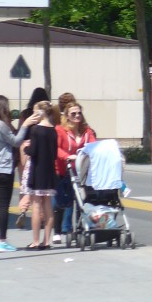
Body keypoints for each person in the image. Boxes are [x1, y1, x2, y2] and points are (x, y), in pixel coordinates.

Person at [0, 95, 42, 252]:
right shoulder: (1, 125)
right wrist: (25, 125)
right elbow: (16, 141)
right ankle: (2, 241)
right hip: (4, 169)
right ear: (1, 108)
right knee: (4, 206)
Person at [54, 100, 96, 243]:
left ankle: (80, 229)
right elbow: (56, 148)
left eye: (79, 113)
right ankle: (57, 231)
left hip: (81, 171)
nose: (77, 116)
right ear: (67, 116)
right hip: (64, 170)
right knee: (63, 202)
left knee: (81, 200)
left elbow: (93, 145)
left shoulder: (86, 130)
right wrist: (67, 156)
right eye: (73, 113)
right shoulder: (60, 130)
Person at [23, 100, 59, 249]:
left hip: (37, 170)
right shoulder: (53, 130)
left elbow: (33, 151)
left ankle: (36, 241)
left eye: (35, 112)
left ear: (41, 112)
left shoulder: (36, 130)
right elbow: (55, 154)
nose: (33, 115)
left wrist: (26, 148)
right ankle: (47, 241)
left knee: (36, 205)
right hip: (49, 171)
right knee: (48, 206)